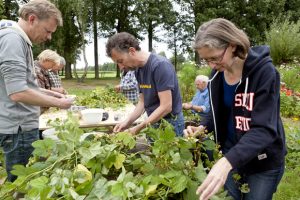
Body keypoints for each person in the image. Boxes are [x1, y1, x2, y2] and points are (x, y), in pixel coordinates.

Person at [183, 18, 286, 200]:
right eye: (206, 60)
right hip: (231, 153)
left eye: (214, 58)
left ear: (232, 45)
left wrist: (226, 162)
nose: (212, 66)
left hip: (263, 161)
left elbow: (264, 129)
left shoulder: (264, 73)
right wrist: (202, 127)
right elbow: (217, 111)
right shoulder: (217, 75)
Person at [0, 0, 73, 182]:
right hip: (19, 128)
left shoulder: (18, 39)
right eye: (48, 31)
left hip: (20, 126)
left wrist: (49, 93)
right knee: (22, 184)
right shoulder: (12, 40)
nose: (48, 37)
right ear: (32, 19)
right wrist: (60, 103)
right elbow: (17, 93)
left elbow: (22, 85)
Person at [106, 32, 184, 136]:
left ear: (132, 51)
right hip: (152, 121)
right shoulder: (138, 69)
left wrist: (138, 128)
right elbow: (142, 102)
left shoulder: (160, 66)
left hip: (170, 123)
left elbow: (166, 106)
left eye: (121, 61)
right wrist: (127, 122)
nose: (121, 67)